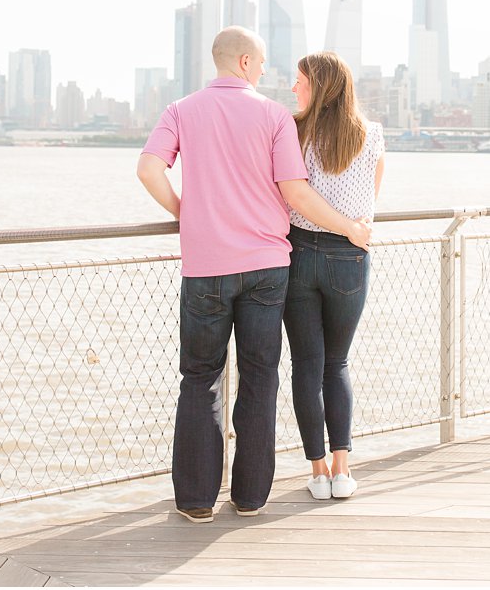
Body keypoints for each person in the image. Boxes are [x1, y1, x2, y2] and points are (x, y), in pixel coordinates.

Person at [137, 27, 372, 524]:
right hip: (268, 266)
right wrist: (350, 228)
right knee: (261, 377)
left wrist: (188, 214)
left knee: (200, 378)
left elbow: (149, 171)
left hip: (206, 267)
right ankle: (250, 498)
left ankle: (197, 501)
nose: (267, 72)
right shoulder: (272, 117)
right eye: (262, 63)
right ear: (245, 62)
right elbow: (295, 190)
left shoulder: (180, 109)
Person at [282, 51, 385, 501]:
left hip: (299, 253)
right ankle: (344, 471)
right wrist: (347, 227)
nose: (293, 88)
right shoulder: (372, 135)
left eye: (299, 80)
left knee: (307, 365)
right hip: (350, 256)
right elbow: (370, 200)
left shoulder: (294, 131)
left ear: (318, 85)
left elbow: (290, 193)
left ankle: (317, 471)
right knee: (336, 363)